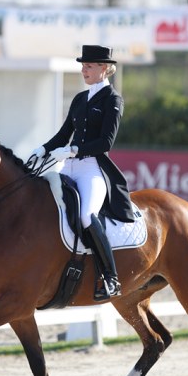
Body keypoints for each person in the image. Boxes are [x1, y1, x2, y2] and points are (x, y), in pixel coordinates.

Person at [31, 45, 134, 300]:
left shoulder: (113, 100)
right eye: (83, 66)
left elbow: (105, 143)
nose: (83, 70)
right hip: (68, 167)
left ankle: (110, 278)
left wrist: (74, 150)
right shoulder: (79, 99)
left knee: (87, 216)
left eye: (89, 66)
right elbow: (63, 134)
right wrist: (43, 149)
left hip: (92, 169)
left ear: (104, 68)